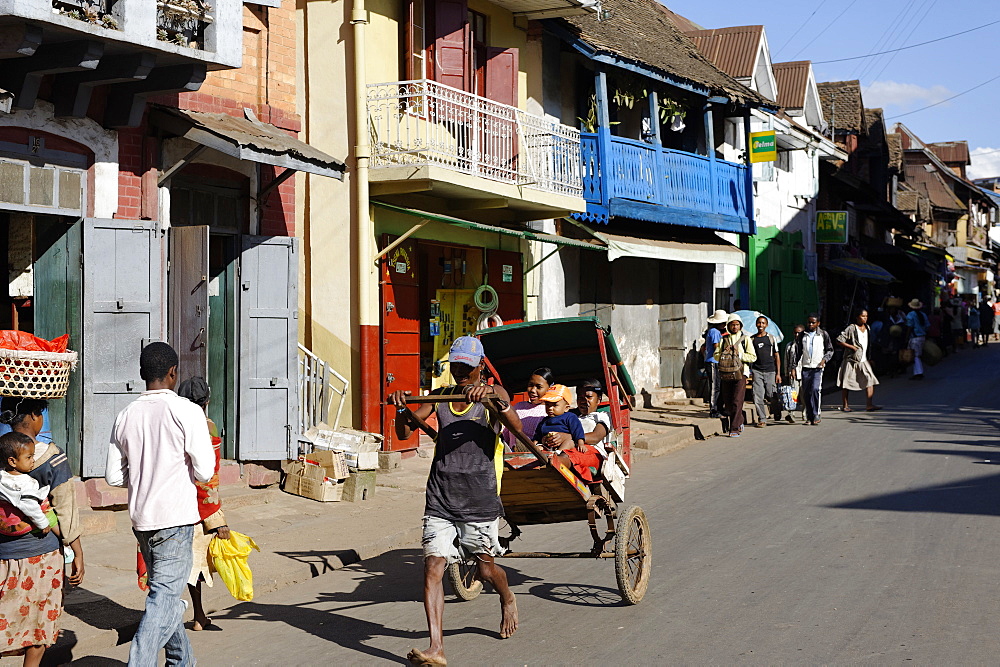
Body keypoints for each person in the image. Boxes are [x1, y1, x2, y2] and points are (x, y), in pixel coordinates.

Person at [389, 336, 521, 666]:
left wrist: (492, 399)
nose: (460, 372)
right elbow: (405, 432)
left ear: (480, 366)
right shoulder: (442, 396)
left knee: (486, 569)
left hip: (478, 498)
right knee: (433, 566)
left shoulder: (495, 394)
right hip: (440, 496)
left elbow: (516, 429)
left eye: (467, 366)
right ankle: (437, 647)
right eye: (455, 366)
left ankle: (507, 596)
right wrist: (402, 407)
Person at [105, 342, 216, 666]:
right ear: (172, 373)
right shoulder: (187, 411)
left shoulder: (125, 415)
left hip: (142, 521)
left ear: (143, 374)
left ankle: (181, 661)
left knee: (164, 597)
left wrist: (144, 475)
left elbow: (114, 475)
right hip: (176, 520)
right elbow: (205, 470)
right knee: (164, 600)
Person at [0, 397, 85, 666]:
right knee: (38, 626)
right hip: (42, 557)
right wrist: (78, 551)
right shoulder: (52, 457)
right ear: (36, 416)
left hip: (4, 555)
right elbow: (66, 511)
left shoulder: (4, 455)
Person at [177, 377, 230, 632]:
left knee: (179, 563)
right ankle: (197, 615)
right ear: (207, 401)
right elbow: (210, 477)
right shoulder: (208, 428)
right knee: (196, 563)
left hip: (173, 502)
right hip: (198, 506)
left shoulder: (174, 425)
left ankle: (196, 614)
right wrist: (216, 517)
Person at [535, 385, 599, 482]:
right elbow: (538, 434)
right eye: (547, 405)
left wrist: (580, 443)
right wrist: (535, 442)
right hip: (548, 445)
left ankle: (558, 456)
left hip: (565, 444)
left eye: (555, 405)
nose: (550, 408)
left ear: (566, 408)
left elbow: (577, 430)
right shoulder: (544, 420)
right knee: (538, 448)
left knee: (569, 442)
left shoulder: (570, 417)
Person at [0, 433, 55, 535]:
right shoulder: (24, 483)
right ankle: (66, 542)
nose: (33, 461)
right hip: (18, 526)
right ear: (12, 461)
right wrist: (43, 523)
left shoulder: (2, 476)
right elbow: (30, 506)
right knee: (47, 509)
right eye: (29, 457)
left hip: (3, 525)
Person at [790, 314, 833, 425]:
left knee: (815, 389)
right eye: (809, 322)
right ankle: (809, 417)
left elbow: (830, 350)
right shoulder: (803, 336)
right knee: (806, 392)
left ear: (818, 323)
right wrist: (793, 367)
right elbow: (798, 352)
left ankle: (816, 413)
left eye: (813, 322)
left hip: (818, 367)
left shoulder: (823, 334)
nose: (810, 324)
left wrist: (824, 360)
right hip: (806, 368)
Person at [718, 314, 756, 438]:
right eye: (732, 324)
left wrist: (740, 354)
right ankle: (739, 420)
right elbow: (715, 355)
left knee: (737, 400)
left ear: (740, 326)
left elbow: (753, 357)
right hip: (726, 373)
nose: (735, 327)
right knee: (728, 402)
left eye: (737, 324)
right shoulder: (724, 339)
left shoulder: (745, 339)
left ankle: (734, 428)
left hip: (741, 373)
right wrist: (725, 352)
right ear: (728, 326)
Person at [836, 309, 881, 412]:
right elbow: (839, 340)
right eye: (862, 316)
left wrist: (869, 357)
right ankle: (845, 405)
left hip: (863, 359)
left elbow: (868, 345)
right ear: (857, 317)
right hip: (851, 360)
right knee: (846, 383)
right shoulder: (851, 328)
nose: (865, 318)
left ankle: (869, 405)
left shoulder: (867, 328)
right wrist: (852, 347)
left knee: (870, 380)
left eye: (866, 316)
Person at [501, 368, 554, 452]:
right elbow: (505, 433)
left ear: (549, 388)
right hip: (510, 457)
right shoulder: (518, 406)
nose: (532, 390)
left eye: (538, 387)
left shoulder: (550, 412)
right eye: (530, 385)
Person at [750, 316, 781, 427]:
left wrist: (778, 373)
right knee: (757, 395)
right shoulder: (752, 339)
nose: (761, 325)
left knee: (771, 394)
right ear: (756, 324)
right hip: (757, 371)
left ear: (766, 325)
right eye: (759, 323)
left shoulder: (771, 338)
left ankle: (777, 410)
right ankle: (762, 419)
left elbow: (777, 356)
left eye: (763, 323)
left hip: (770, 371)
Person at [703, 310, 728, 419]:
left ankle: (720, 408)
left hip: (718, 362)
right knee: (714, 386)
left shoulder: (718, 332)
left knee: (719, 386)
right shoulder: (714, 332)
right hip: (713, 361)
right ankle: (713, 409)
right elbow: (716, 346)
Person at [782, 325, 805, 423]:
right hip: (793, 375)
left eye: (799, 333)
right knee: (792, 395)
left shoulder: (806, 345)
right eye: (795, 333)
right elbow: (786, 361)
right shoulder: (790, 345)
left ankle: (805, 414)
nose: (797, 335)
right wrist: (787, 374)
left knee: (804, 396)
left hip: (804, 374)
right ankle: (791, 414)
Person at [905, 299, 929, 380]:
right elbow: (927, 326)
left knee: (915, 356)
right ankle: (918, 372)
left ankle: (918, 373)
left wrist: (907, 337)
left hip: (915, 337)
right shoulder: (923, 315)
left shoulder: (910, 315)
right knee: (918, 355)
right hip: (922, 337)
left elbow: (909, 326)